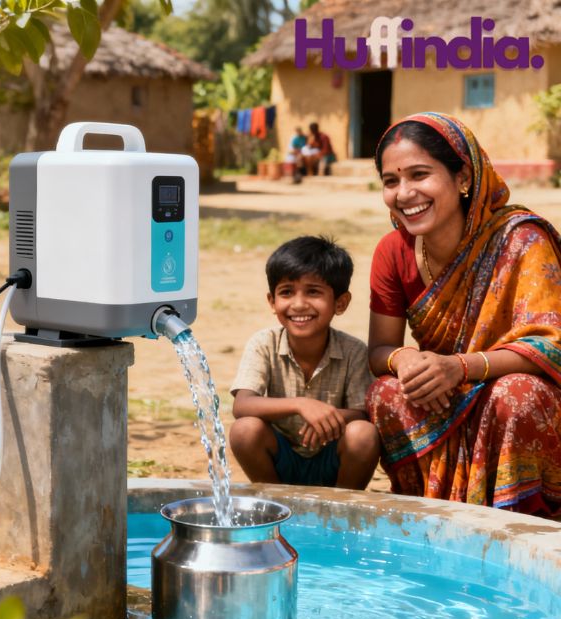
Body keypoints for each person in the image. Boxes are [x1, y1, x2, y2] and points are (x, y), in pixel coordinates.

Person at [367, 112, 561, 515]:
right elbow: (380, 348)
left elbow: (552, 347)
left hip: (511, 390)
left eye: (420, 175)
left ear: (464, 178)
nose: (405, 193)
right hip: (443, 393)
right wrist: (406, 360)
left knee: (514, 395)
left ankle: (521, 522)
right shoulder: (393, 251)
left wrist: (460, 367)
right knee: (386, 392)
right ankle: (427, 516)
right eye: (391, 181)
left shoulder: (522, 240)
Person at [229, 236, 380, 489]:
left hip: (333, 462)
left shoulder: (354, 350)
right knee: (245, 430)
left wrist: (327, 419)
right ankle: (278, 503)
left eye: (313, 291)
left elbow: (361, 412)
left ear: (340, 303)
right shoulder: (263, 343)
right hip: (280, 460)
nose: (298, 304)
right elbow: (242, 405)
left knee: (363, 434)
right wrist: (301, 405)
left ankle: (339, 510)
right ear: (272, 302)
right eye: (286, 292)